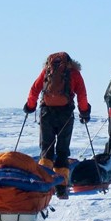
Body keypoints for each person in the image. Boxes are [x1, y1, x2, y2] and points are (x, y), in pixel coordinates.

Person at [24, 52, 91, 199]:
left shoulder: (47, 71)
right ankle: (61, 187)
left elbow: (35, 89)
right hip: (65, 114)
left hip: (46, 112)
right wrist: (84, 112)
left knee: (46, 149)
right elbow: (82, 94)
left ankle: (44, 184)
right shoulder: (74, 73)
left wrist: (30, 105)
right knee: (62, 150)